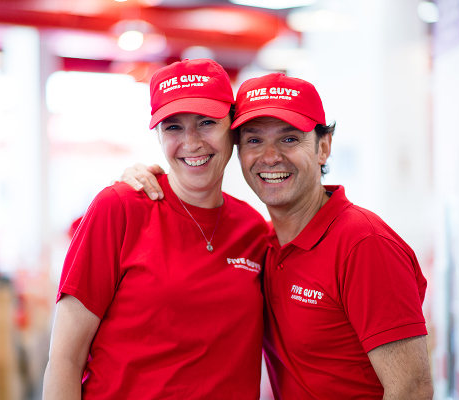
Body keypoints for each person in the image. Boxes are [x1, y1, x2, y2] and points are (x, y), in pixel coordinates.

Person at [120, 73, 433, 399]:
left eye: (289, 139)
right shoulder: (262, 243)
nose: (270, 157)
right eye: (254, 141)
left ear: (323, 147)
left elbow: (412, 389)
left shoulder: (363, 243)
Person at [43, 59, 269, 399]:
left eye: (206, 122)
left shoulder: (254, 231)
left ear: (233, 128)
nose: (191, 142)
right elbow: (65, 360)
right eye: (173, 127)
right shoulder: (118, 208)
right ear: (158, 136)